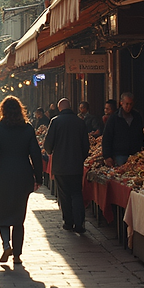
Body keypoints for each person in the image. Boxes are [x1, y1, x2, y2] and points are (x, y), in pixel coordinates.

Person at [0, 95, 43, 266]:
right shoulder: (28, 129)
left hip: (3, 174)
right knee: (18, 214)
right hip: (23, 174)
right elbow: (35, 154)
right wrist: (38, 177)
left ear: (2, 110)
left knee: (2, 212)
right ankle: (17, 254)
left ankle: (6, 244)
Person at [44, 98, 90, 233]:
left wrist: (50, 151)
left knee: (64, 194)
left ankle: (68, 222)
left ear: (59, 108)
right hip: (76, 165)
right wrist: (80, 157)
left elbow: (48, 144)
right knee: (76, 193)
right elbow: (85, 145)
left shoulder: (55, 122)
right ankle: (79, 223)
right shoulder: (80, 122)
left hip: (60, 165)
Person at [102, 93, 144, 167]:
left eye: (131, 104)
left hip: (135, 154)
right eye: (127, 104)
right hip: (120, 154)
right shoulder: (113, 118)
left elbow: (140, 134)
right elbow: (107, 137)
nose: (129, 107)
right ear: (121, 103)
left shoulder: (137, 116)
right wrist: (107, 156)